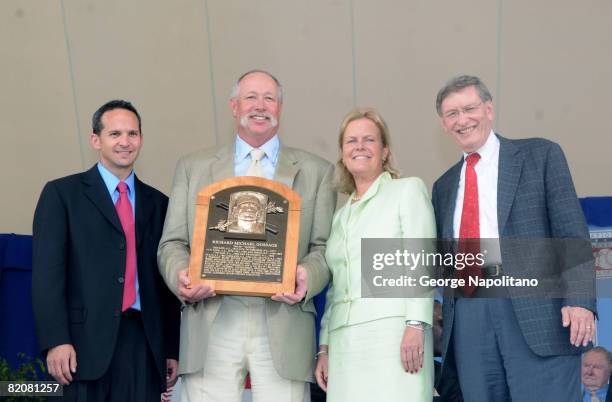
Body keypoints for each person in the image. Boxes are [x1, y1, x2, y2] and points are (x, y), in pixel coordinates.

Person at [157, 70, 336, 402]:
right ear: (234, 106)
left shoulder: (317, 171)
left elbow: (323, 247)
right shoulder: (192, 167)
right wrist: (182, 276)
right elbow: (172, 243)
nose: (260, 106)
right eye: (251, 97)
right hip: (213, 318)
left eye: (269, 98)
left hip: (283, 322)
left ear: (280, 108)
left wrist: (306, 276)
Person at [431, 75, 596, 401]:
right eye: (452, 114)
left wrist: (579, 300)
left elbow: (571, 232)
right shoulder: (443, 186)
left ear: (489, 109)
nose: (462, 120)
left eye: (470, 108)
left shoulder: (540, 155)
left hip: (535, 308)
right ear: (444, 124)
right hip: (470, 314)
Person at [32, 100, 181, 401]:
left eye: (132, 134)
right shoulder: (62, 195)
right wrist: (56, 340)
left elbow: (165, 285)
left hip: (143, 343)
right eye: (115, 134)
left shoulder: (161, 203)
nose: (125, 142)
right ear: (95, 140)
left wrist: (170, 348)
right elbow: (47, 275)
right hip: (80, 346)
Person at [313, 107, 435, 401]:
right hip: (343, 344)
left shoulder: (407, 191)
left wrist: (415, 325)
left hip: (394, 336)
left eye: (369, 140)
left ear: (384, 151)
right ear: (342, 153)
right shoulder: (339, 216)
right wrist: (324, 348)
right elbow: (335, 287)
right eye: (351, 141)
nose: (360, 146)